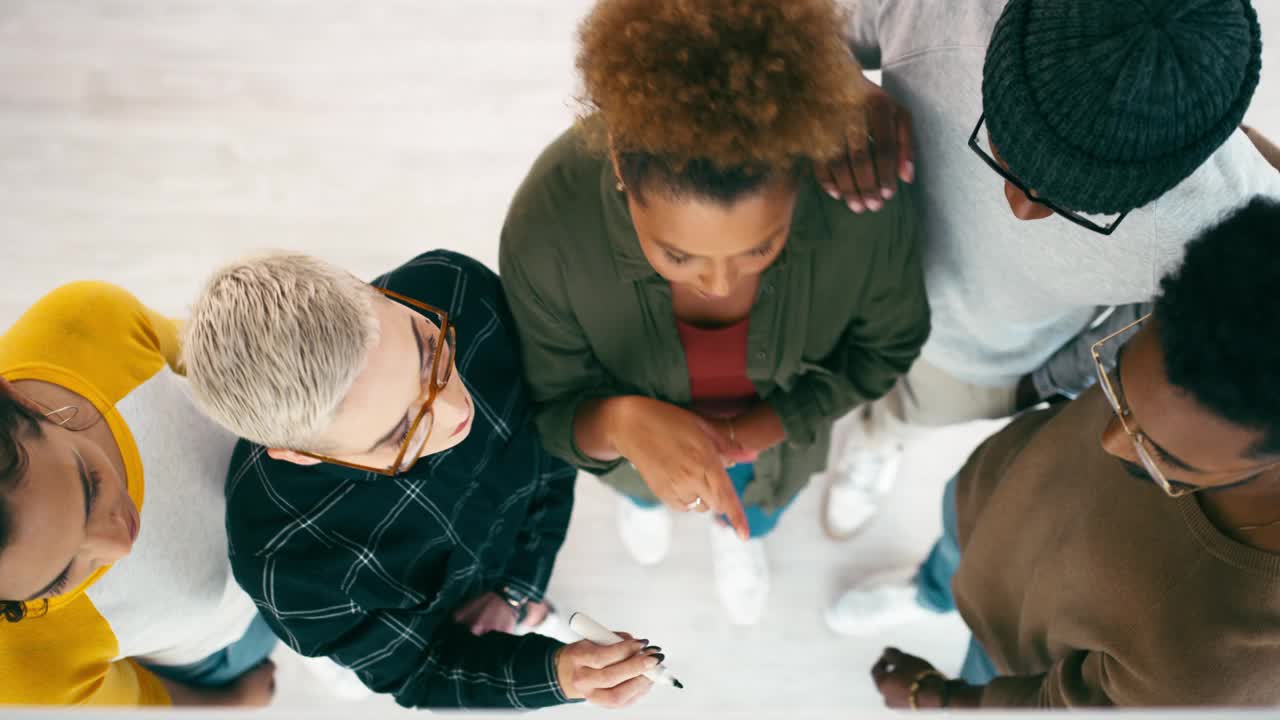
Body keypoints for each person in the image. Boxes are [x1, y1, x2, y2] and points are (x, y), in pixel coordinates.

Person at [499, 0, 928, 626]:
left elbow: (885, 349)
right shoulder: (549, 230)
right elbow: (549, 410)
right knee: (642, 486)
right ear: (621, 167)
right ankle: (644, 505)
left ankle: (740, 532)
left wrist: (760, 432)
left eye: (762, 247)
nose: (719, 282)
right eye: (678, 254)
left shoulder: (860, 206)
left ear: (802, 175)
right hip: (628, 462)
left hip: (775, 459)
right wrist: (621, 427)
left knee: (756, 512)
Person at [818, 0, 1280, 551]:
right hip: (843, 275)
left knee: (903, 415)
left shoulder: (1236, 228)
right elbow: (792, 26)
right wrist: (832, 83)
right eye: (1005, 147)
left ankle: (879, 440)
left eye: (1083, 205)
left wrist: (1047, 379)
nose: (1022, 209)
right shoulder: (935, 10)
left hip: (984, 359)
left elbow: (1180, 342)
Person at [182, 250, 657, 710]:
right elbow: (421, 670)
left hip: (503, 563)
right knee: (359, 679)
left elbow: (548, 439)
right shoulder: (289, 568)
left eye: (430, 350)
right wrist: (558, 674)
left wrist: (518, 589)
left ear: (357, 284)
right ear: (299, 455)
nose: (456, 409)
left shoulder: (456, 290)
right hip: (406, 632)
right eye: (402, 432)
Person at [862, 196, 1280, 708]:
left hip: (1006, 650)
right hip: (991, 490)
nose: (1109, 440)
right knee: (951, 554)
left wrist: (938, 696)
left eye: (1164, 457)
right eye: (1118, 385)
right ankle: (926, 593)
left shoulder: (1215, 662)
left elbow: (1053, 707)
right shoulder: (1246, 303)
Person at [0, 282, 275, 707]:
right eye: (58, 580)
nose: (120, 543)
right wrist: (232, 701)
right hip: (234, 635)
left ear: (16, 397)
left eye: (90, 485)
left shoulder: (86, 327)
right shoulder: (20, 667)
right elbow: (141, 702)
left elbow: (223, 359)